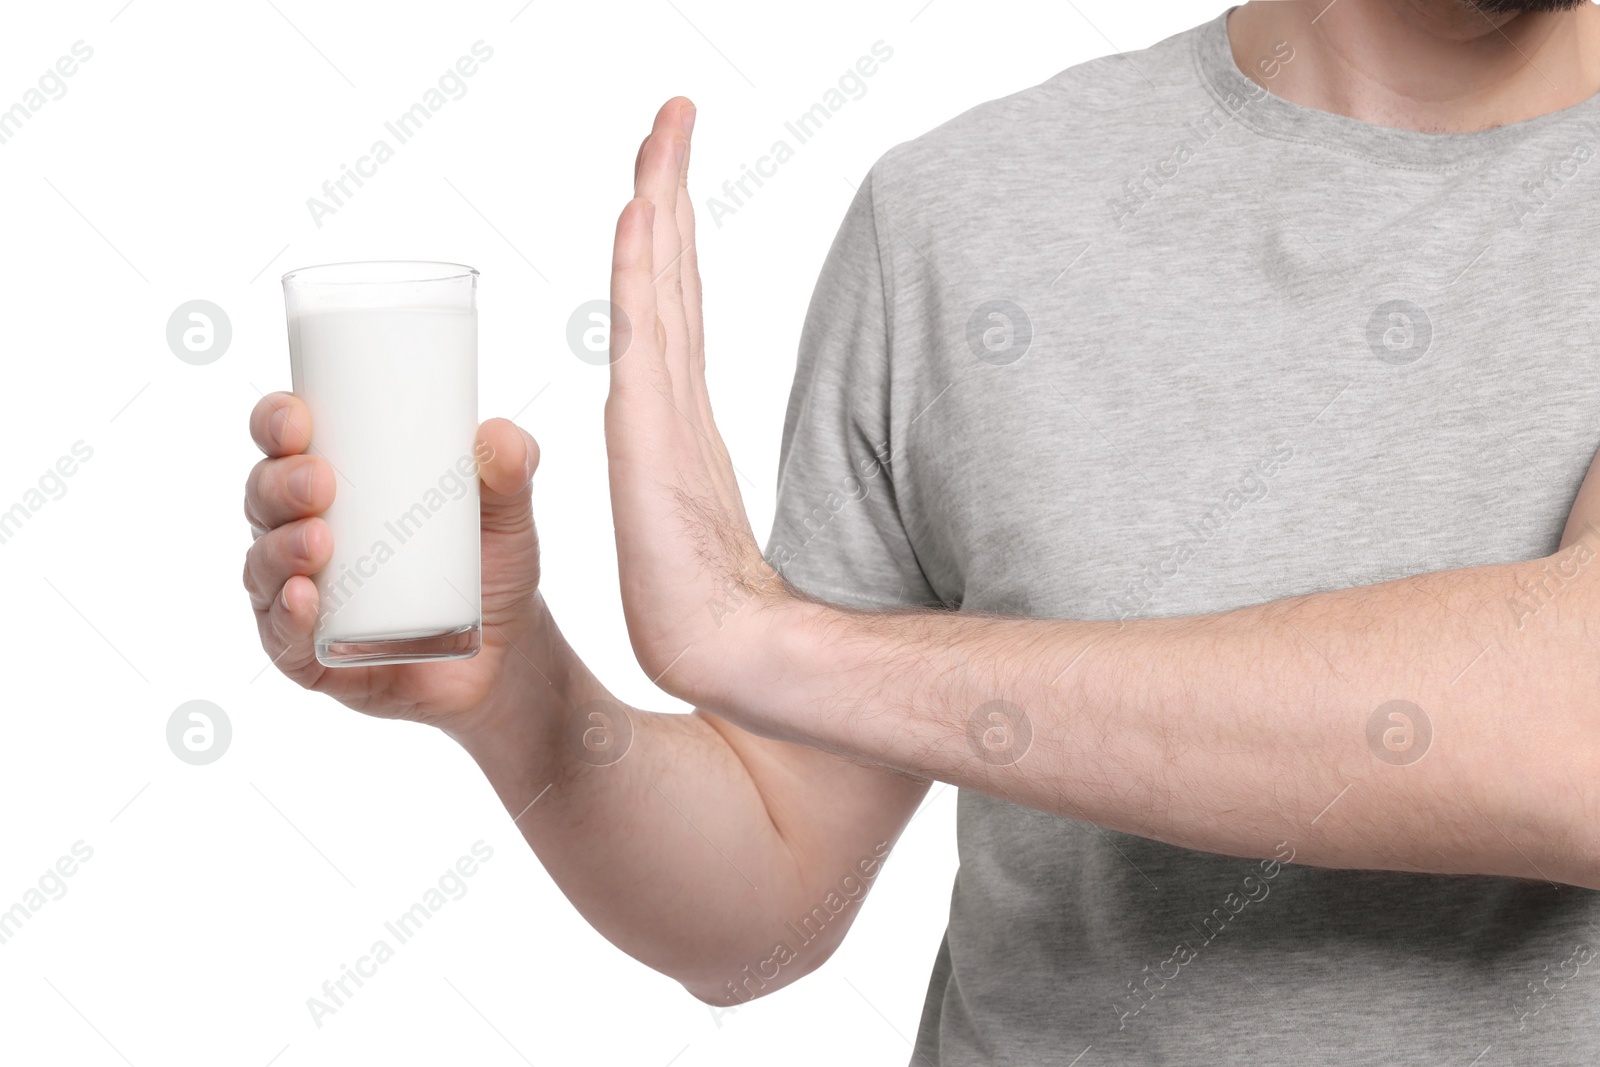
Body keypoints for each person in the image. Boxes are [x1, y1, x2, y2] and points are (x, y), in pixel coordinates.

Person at [244, 1, 1600, 1061]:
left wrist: (763, 641)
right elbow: (770, 901)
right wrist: (519, 691)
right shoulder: (963, 219)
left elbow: (1572, 732)